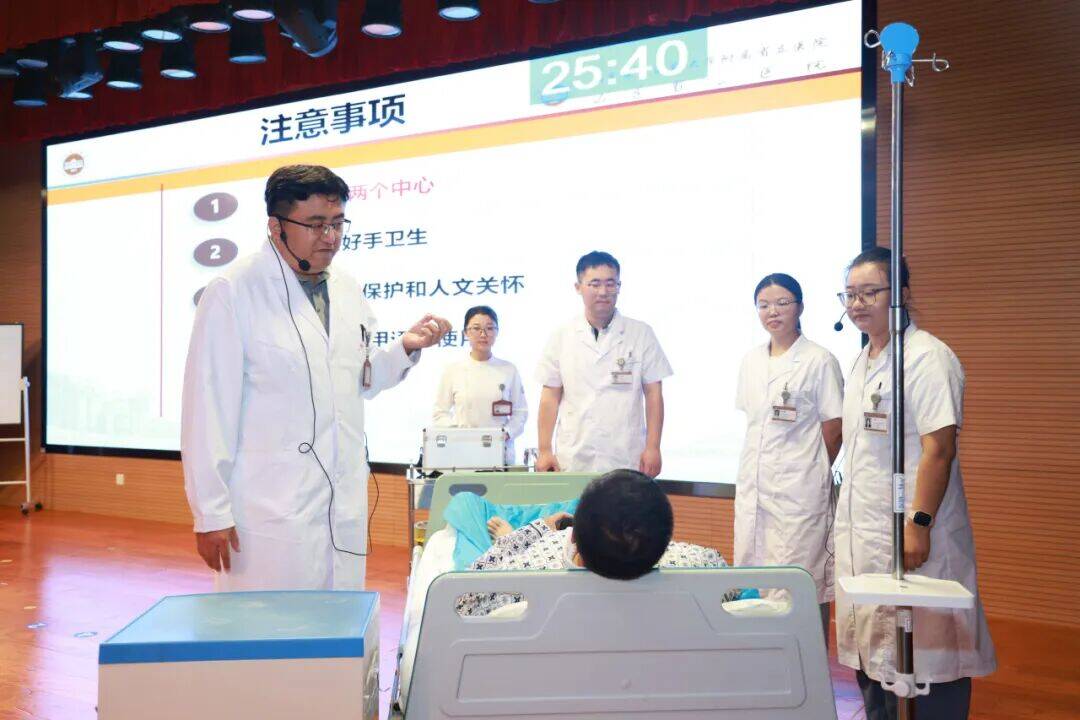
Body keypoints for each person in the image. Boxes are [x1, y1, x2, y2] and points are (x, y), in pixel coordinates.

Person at [181, 164, 450, 591]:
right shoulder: (234, 291)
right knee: (268, 623)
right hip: (269, 508)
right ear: (276, 226)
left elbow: (359, 380)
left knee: (340, 622)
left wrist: (404, 348)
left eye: (338, 223)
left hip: (342, 503)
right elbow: (207, 408)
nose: (331, 237)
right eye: (316, 224)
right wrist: (210, 512)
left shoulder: (346, 288)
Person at [834, 247, 996, 719]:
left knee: (929, 654)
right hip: (864, 531)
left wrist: (919, 523)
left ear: (901, 294)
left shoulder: (927, 357)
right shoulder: (862, 361)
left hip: (913, 530)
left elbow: (939, 448)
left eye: (870, 292)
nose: (857, 303)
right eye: (850, 294)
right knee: (874, 656)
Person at [455, 469, 737, 617]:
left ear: (573, 535)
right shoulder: (700, 565)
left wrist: (529, 532)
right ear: (665, 541)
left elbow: (464, 600)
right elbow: (733, 590)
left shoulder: (529, 574)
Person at [734, 273, 843, 637]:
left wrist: (808, 473)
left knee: (803, 581)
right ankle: (763, 661)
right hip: (755, 490)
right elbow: (755, 424)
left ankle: (809, 662)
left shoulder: (819, 360)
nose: (773, 312)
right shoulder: (751, 360)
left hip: (800, 494)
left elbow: (834, 427)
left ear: (800, 307)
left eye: (782, 303)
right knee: (756, 581)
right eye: (764, 305)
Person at [535, 251, 672, 476]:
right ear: (578, 287)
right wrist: (544, 449)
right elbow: (550, 396)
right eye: (594, 284)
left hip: (626, 452)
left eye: (610, 284)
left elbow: (654, 394)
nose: (603, 291)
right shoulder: (562, 336)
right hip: (575, 453)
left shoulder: (641, 333)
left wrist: (653, 447)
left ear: (619, 286)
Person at [432, 305, 528, 464]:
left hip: (500, 453)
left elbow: (520, 412)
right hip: (462, 453)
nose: (483, 334)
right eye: (476, 328)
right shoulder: (453, 370)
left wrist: (506, 433)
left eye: (489, 328)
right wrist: (458, 433)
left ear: (497, 332)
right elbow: (439, 413)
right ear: (466, 333)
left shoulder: (509, 370)